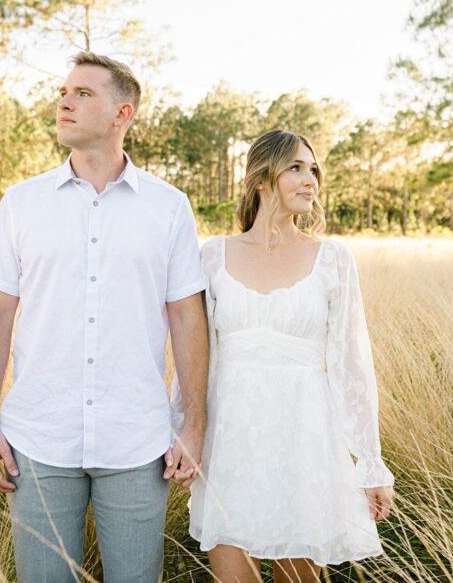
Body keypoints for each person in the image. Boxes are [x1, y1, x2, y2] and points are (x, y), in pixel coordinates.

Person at [0, 51, 209, 582]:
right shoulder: (21, 203)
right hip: (38, 437)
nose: (64, 102)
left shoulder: (169, 208)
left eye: (83, 94)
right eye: (63, 92)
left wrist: (193, 424)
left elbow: (189, 319)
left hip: (136, 440)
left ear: (123, 114)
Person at [185, 129, 395, 582]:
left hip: (305, 439)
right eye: (296, 168)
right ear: (262, 178)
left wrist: (371, 463)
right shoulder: (213, 257)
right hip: (230, 442)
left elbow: (352, 366)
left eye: (313, 169)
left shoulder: (333, 259)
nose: (311, 180)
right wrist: (184, 432)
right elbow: (196, 358)